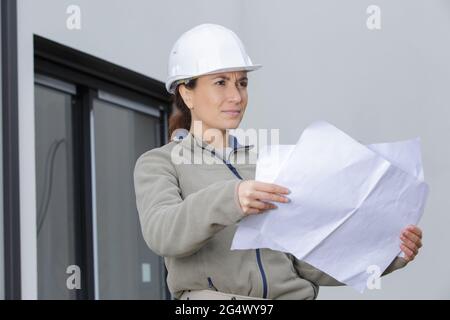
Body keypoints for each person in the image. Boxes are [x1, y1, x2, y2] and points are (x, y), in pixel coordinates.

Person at [133, 23, 423, 300]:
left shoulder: (268, 164)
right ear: (187, 93)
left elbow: (305, 261)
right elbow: (162, 233)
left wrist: (386, 255)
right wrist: (231, 198)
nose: (236, 96)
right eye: (221, 82)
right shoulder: (160, 163)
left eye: (242, 83)